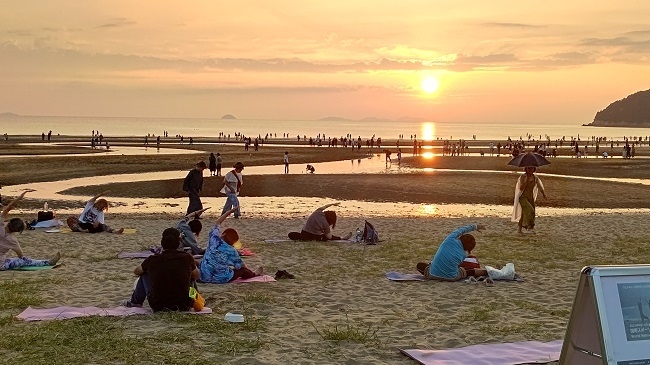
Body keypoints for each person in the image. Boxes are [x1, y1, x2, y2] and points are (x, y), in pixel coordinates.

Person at [121, 227, 199, 311]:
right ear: (178, 242)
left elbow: (137, 271)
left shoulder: (152, 259)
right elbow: (196, 276)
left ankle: (135, 302)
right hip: (184, 305)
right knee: (192, 276)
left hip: (158, 306)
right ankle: (195, 299)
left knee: (144, 273)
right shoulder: (187, 258)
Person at [199, 207, 263, 283]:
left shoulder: (214, 238)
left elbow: (218, 222)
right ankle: (254, 274)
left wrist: (228, 212)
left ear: (223, 234)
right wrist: (247, 271)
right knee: (242, 270)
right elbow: (240, 266)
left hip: (203, 276)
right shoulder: (232, 250)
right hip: (220, 279)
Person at [1, 191, 61, 270]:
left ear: (10, 222)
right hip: (1, 265)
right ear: (17, 231)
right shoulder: (12, 240)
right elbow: (21, 256)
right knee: (24, 260)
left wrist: (19, 198)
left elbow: (8, 208)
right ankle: (48, 262)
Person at [416, 224, 487, 281]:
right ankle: (486, 272)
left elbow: (461, 230)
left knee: (420, 265)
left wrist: (475, 226)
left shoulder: (450, 239)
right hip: (451, 278)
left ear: (461, 237)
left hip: (433, 275)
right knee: (467, 271)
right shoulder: (463, 254)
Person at [288, 202, 352, 241]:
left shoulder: (318, 211)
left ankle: (304, 238)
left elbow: (324, 206)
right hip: (314, 237)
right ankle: (342, 238)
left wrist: (332, 204)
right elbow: (329, 237)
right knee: (326, 237)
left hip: (304, 234)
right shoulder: (326, 224)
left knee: (292, 234)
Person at [512, 166, 547, 234]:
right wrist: (525, 181)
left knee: (524, 213)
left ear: (534, 169)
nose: (530, 170)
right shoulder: (523, 177)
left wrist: (544, 194)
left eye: (532, 168)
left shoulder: (535, 177)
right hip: (522, 197)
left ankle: (519, 229)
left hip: (530, 197)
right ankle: (529, 227)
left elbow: (539, 186)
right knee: (530, 211)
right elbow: (521, 188)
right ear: (526, 169)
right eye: (528, 168)